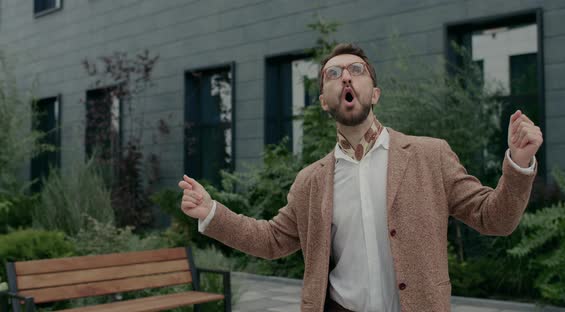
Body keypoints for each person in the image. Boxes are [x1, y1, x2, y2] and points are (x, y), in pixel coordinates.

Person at [178, 43, 543, 312]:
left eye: (357, 69)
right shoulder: (311, 181)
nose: (346, 77)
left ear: (375, 93)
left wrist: (519, 162)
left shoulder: (430, 155)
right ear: (323, 100)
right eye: (333, 74)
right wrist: (213, 213)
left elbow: (494, 218)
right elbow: (272, 240)